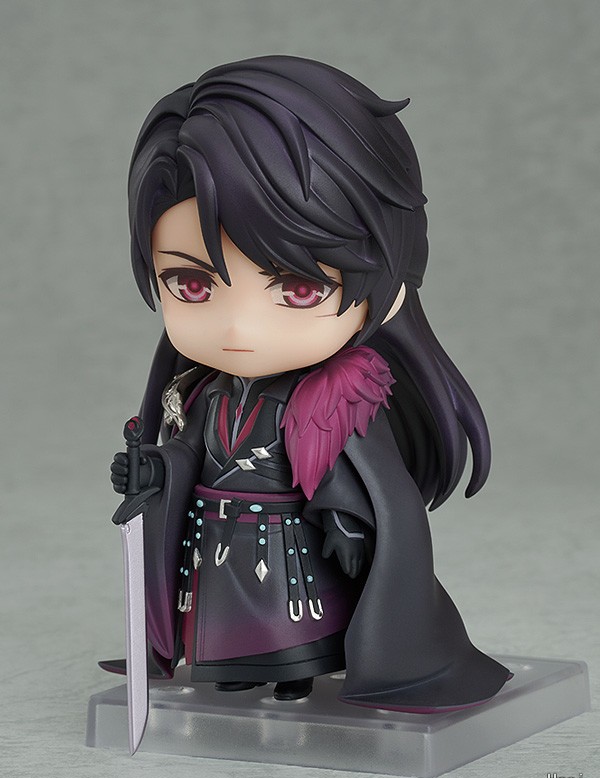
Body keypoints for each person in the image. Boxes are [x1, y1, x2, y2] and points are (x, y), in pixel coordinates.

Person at [105, 55, 510, 710]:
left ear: (388, 288)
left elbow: (346, 473)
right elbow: (186, 454)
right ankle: (229, 668)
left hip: (289, 540)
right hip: (218, 538)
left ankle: (295, 673)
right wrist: (154, 469)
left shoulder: (334, 393)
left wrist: (346, 523)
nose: (239, 328)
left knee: (292, 619)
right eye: (193, 284)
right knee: (226, 621)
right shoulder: (201, 393)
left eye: (297, 288)